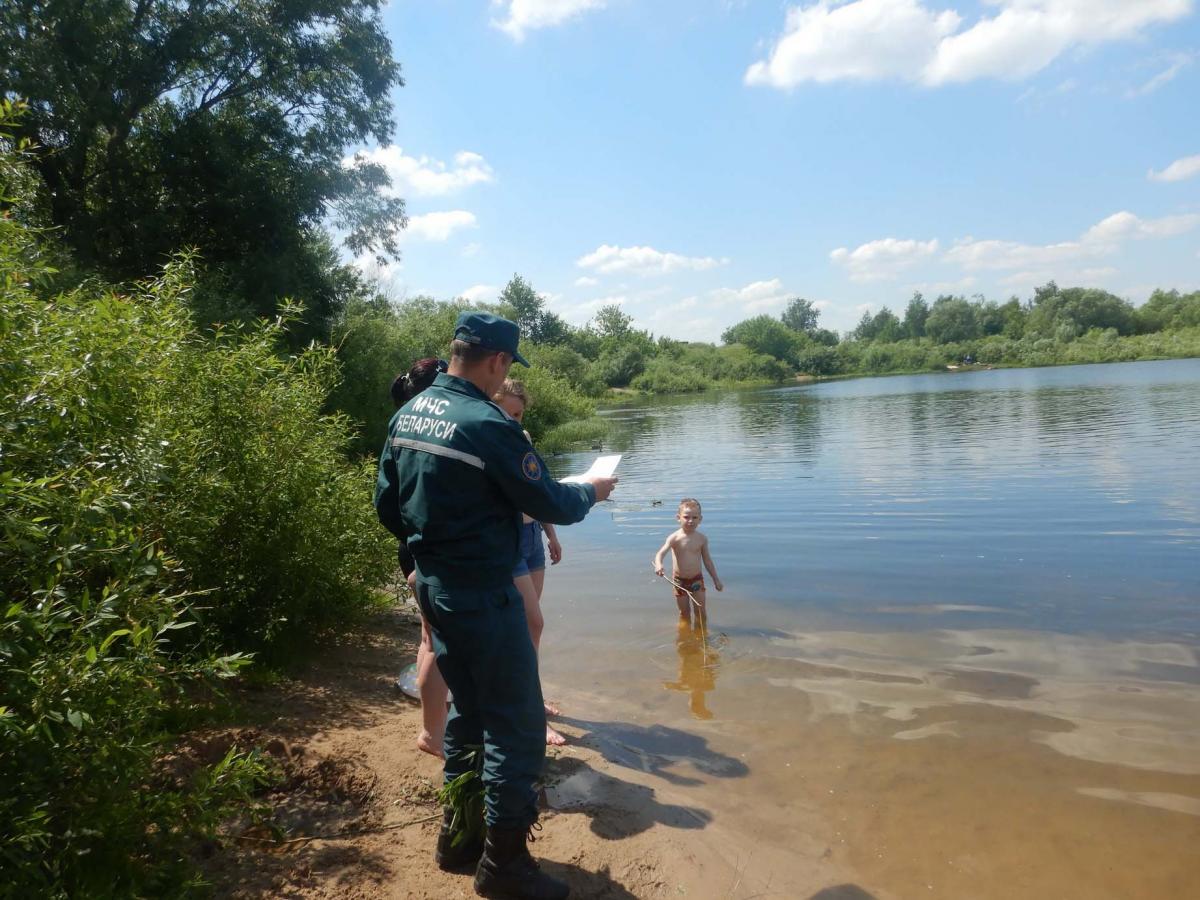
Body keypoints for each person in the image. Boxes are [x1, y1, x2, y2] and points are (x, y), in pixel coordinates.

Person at [376, 312, 617, 899]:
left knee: (471, 712)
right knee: (517, 723)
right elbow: (550, 501)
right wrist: (591, 489)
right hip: (483, 592)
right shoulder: (486, 423)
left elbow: (388, 507)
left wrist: (425, 562)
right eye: (507, 365)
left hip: (437, 587)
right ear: (496, 362)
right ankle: (504, 866)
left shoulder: (409, 413)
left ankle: (457, 839)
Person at [492, 378, 567, 747]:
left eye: (519, 414)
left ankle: (530, 699)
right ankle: (530, 717)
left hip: (532, 535)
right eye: (508, 413)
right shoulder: (486, 437)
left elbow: (535, 491)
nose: (514, 421)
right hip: (506, 540)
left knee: (529, 630)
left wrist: (551, 534)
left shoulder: (520, 436)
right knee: (531, 623)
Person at [385, 358, 453, 759]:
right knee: (437, 639)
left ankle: (435, 717)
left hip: (414, 550)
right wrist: (419, 545)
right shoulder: (418, 433)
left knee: (430, 635)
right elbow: (393, 505)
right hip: (422, 553)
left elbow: (387, 503)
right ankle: (433, 733)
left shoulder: (405, 428)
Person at [652, 498, 723, 624]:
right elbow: (660, 553)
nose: (690, 521)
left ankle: (699, 637)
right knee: (684, 613)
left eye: (695, 517)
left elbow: (707, 561)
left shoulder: (702, 539)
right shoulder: (674, 538)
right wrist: (659, 564)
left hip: (697, 580)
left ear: (700, 519)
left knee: (700, 611)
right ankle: (683, 638)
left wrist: (716, 579)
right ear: (678, 518)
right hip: (680, 582)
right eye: (686, 517)